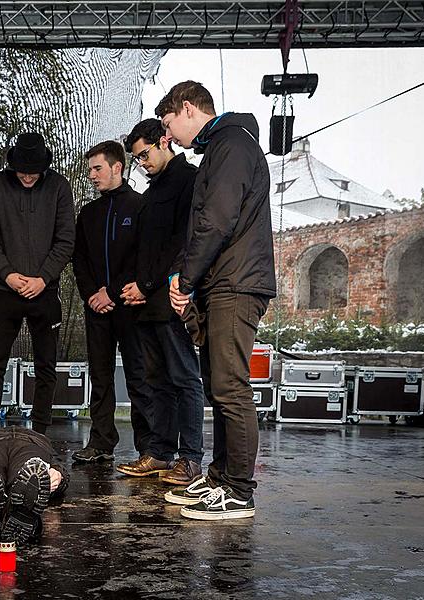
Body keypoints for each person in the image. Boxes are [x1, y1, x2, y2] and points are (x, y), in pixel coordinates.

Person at [157, 81, 276, 520]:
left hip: (237, 284)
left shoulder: (231, 145)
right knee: (218, 385)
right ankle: (223, 476)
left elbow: (216, 221)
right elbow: (206, 226)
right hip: (222, 282)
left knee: (230, 386)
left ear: (188, 109)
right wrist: (187, 279)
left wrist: (185, 281)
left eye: (169, 125)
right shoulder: (221, 148)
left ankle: (240, 491)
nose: (168, 137)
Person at [118, 119, 205, 485]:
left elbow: (182, 245)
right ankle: (160, 453)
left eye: (145, 155)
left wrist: (148, 283)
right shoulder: (153, 188)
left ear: (164, 141)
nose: (142, 163)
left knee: (184, 377)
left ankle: (191, 459)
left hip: (171, 296)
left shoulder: (188, 179)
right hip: (148, 303)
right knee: (156, 380)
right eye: (137, 159)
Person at [0, 133, 76, 435]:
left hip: (45, 292)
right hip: (5, 291)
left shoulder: (59, 186)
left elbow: (66, 240)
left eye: (34, 172)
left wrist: (43, 278)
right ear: (13, 165)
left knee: (47, 365)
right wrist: (8, 274)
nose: (28, 177)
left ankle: (41, 432)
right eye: (22, 171)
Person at [70, 141, 151, 464]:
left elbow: (142, 259)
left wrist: (112, 292)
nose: (91, 175)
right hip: (97, 310)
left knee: (139, 375)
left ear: (117, 167)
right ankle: (101, 442)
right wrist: (93, 294)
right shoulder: (88, 213)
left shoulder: (140, 206)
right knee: (100, 376)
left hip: (131, 306)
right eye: (89, 169)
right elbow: (79, 260)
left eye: (97, 168)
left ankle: (148, 447)